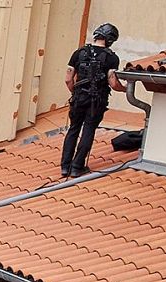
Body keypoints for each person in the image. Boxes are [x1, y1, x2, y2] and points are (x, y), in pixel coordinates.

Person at [62, 23, 122, 178]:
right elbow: (113, 83)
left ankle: (65, 166)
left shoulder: (78, 53)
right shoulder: (112, 58)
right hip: (96, 101)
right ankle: (77, 167)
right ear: (110, 40)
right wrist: (126, 89)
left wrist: (75, 92)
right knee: (88, 129)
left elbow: (68, 79)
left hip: (78, 98)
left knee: (73, 129)